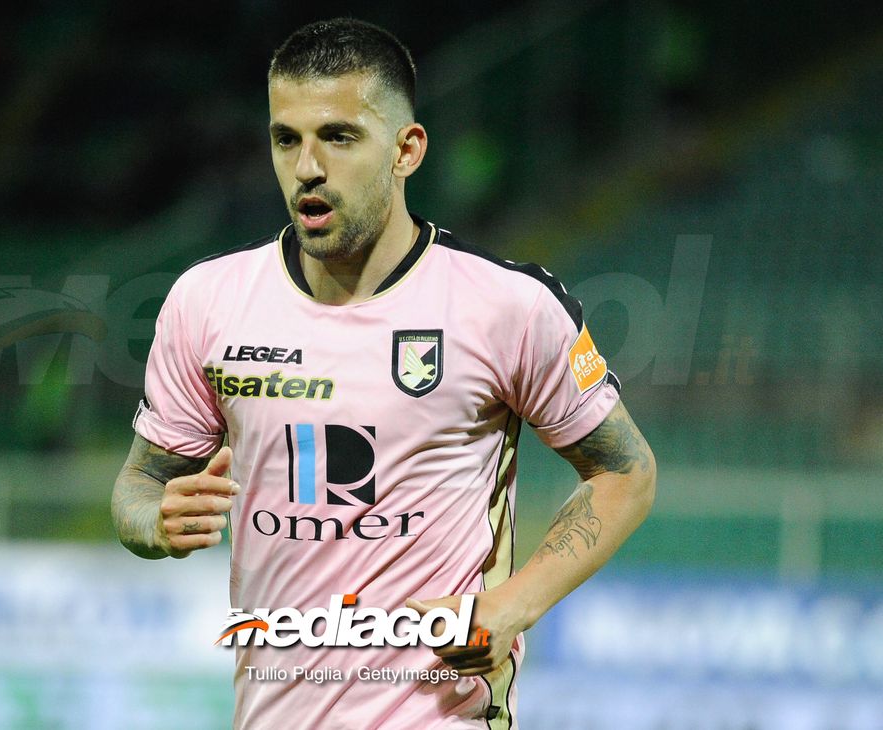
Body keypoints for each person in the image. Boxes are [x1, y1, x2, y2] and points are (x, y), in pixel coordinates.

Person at [112, 17, 655, 730]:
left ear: (407, 149)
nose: (307, 166)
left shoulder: (506, 306)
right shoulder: (207, 302)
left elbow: (625, 471)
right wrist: (152, 521)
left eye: (338, 137)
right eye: (286, 139)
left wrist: (510, 608)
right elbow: (137, 485)